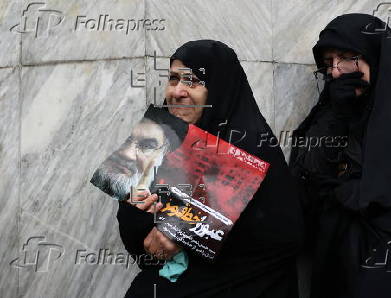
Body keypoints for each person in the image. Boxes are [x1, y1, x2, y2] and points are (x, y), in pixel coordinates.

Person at [116, 40, 305, 297]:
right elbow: (132, 216)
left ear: (218, 89)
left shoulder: (251, 145)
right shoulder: (157, 139)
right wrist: (148, 224)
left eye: (192, 81)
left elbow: (282, 237)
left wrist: (186, 234)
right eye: (173, 79)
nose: (177, 91)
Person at [289, 13, 391, 298]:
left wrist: (360, 194)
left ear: (375, 55)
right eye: (329, 63)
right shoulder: (332, 112)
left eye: (346, 57)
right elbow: (307, 182)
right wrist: (340, 118)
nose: (335, 71)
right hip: (340, 265)